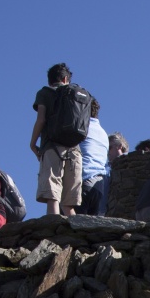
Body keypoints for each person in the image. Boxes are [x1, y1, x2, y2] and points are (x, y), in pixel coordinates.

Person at [29, 63, 95, 217]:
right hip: (75, 150)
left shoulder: (44, 93)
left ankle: (53, 233)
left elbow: (41, 120)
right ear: (66, 79)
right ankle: (75, 237)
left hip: (52, 147)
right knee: (69, 204)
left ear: (49, 79)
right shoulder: (78, 95)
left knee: (53, 197)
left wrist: (33, 143)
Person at [80, 101, 112, 216]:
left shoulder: (81, 128)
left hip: (83, 179)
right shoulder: (102, 133)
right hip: (98, 186)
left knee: (72, 230)